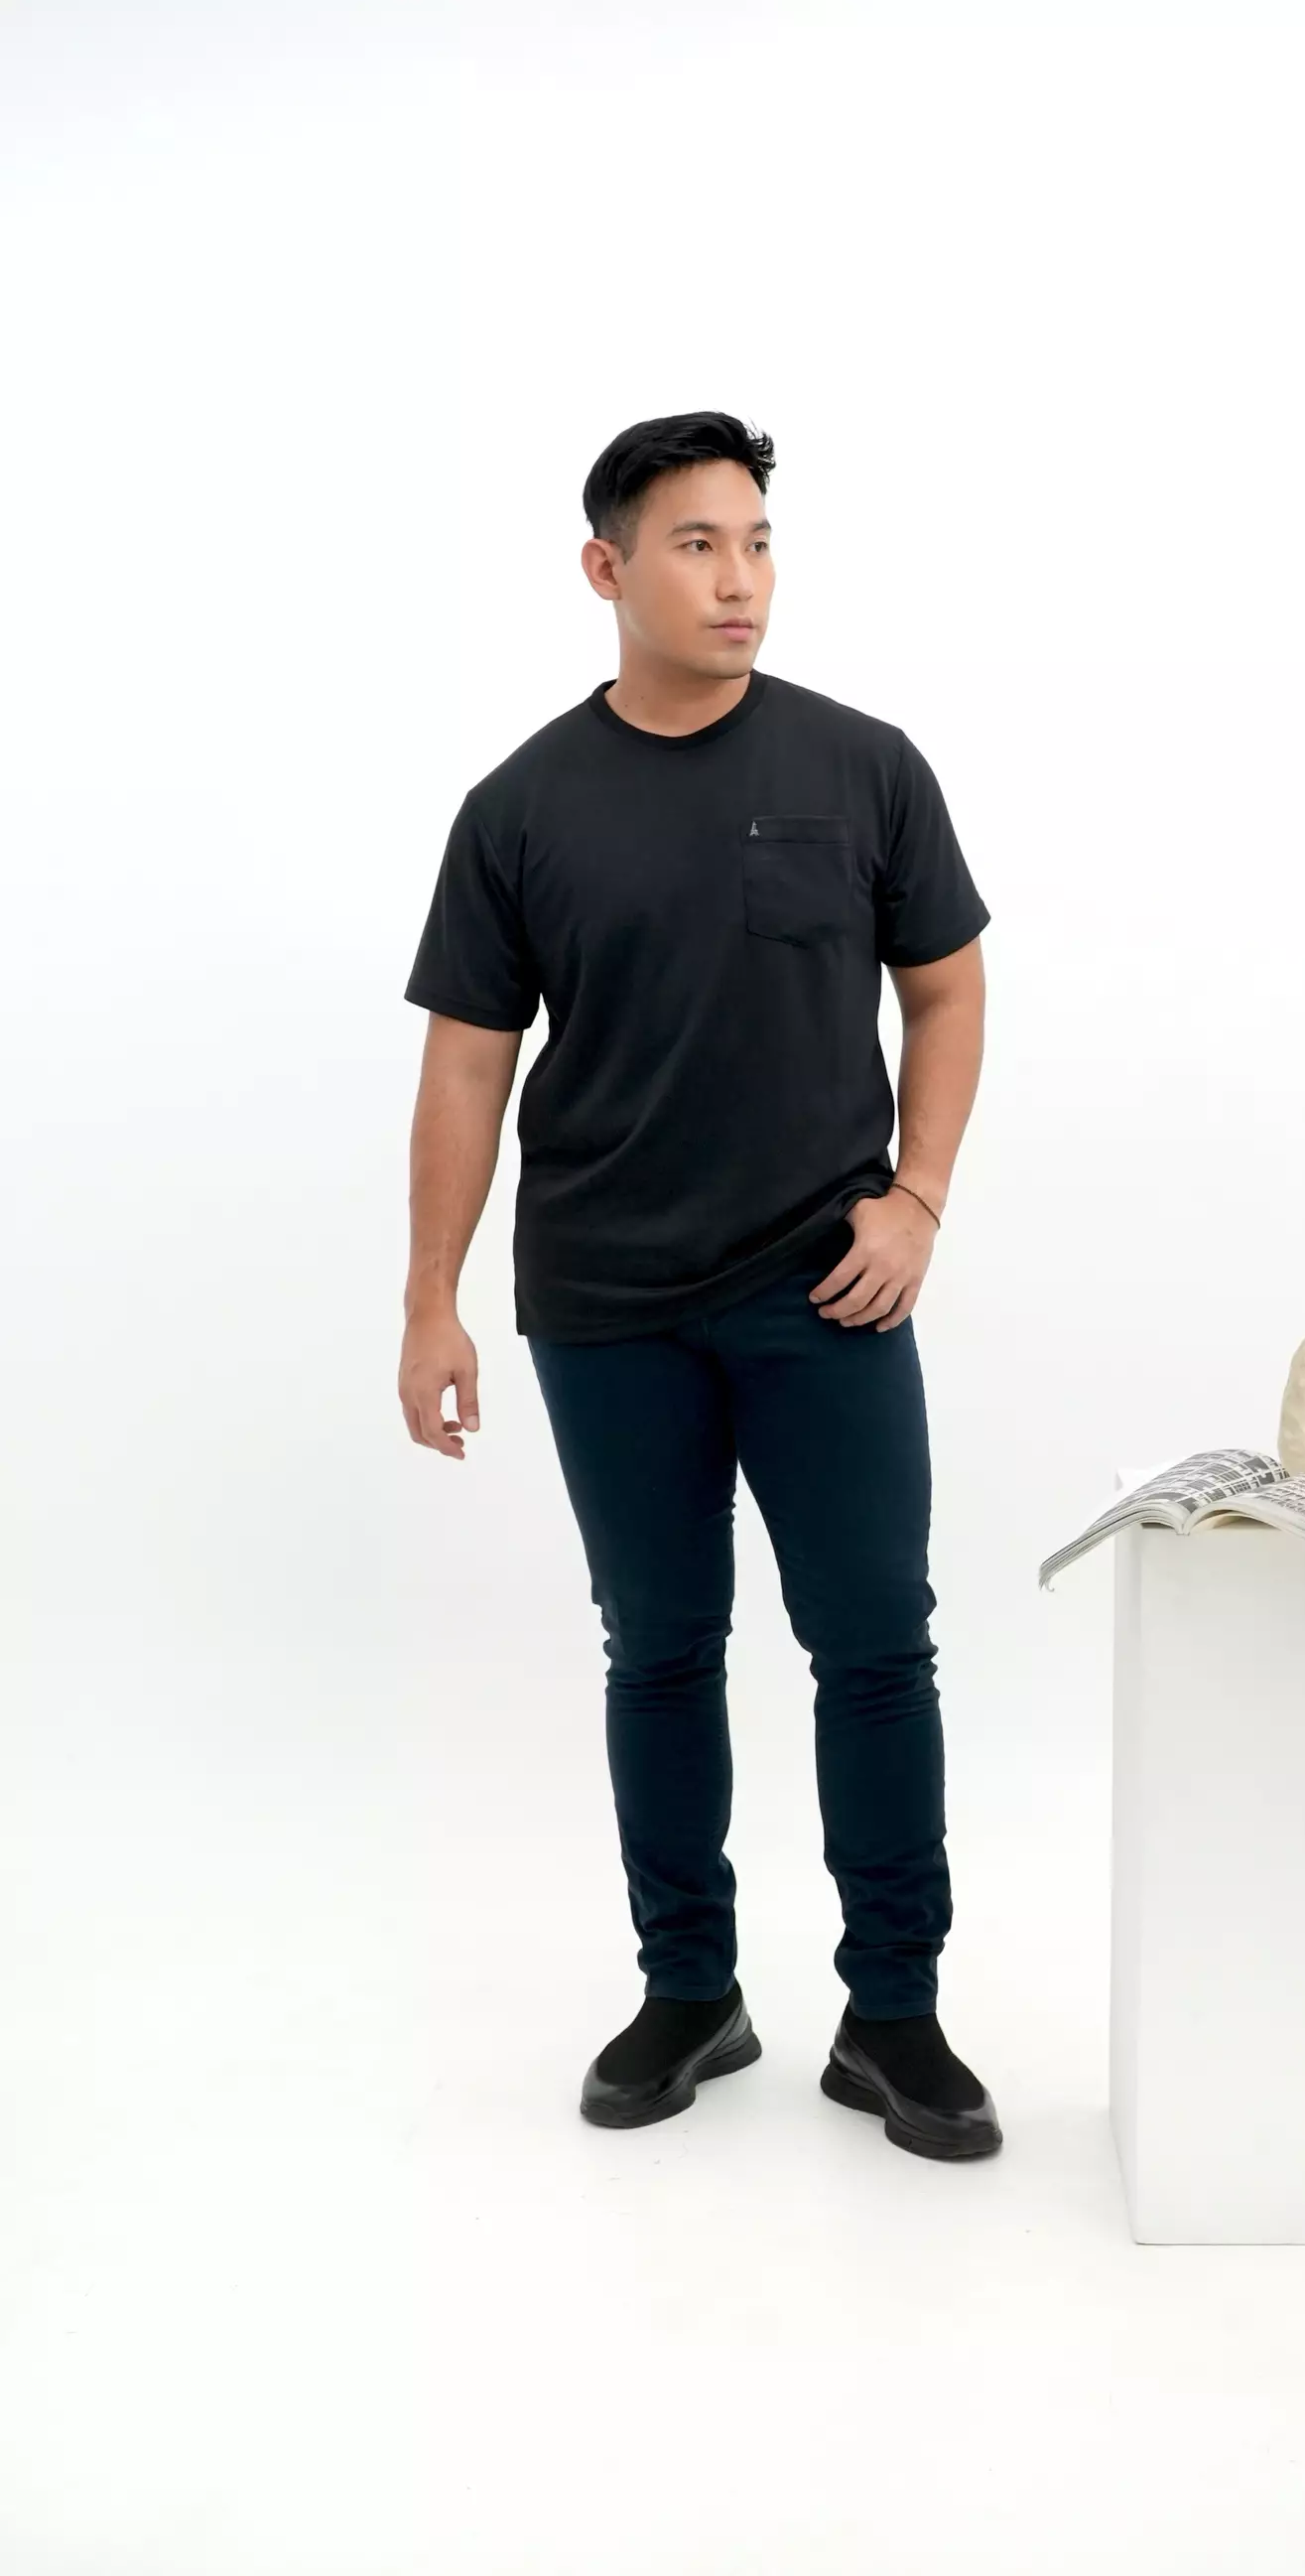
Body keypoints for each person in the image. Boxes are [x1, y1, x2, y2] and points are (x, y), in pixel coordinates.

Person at [396, 411, 1000, 2162]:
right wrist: (431, 1300)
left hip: (828, 1291)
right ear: (606, 568)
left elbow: (947, 989)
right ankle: (691, 1992)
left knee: (874, 1646)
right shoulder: (521, 808)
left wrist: (918, 1200)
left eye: (757, 542)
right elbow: (467, 1065)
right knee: (659, 1649)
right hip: (608, 1303)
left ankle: (894, 2016)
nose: (739, 580)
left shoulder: (865, 766)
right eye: (695, 544)